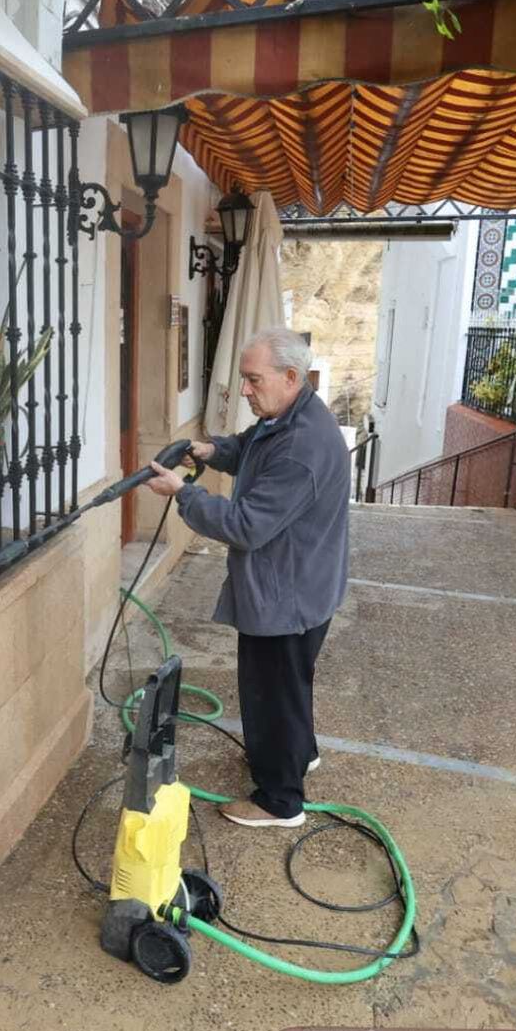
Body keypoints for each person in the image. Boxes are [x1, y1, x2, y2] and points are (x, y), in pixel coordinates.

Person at [143, 327, 350, 828]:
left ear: (291, 376)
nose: (245, 390)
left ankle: (280, 801)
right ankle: (298, 754)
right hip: (305, 586)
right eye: (244, 379)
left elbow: (245, 525)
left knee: (269, 693)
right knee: (290, 685)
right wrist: (210, 452)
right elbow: (250, 448)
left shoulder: (303, 445)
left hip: (287, 597)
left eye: (253, 380)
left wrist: (182, 493)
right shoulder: (289, 416)